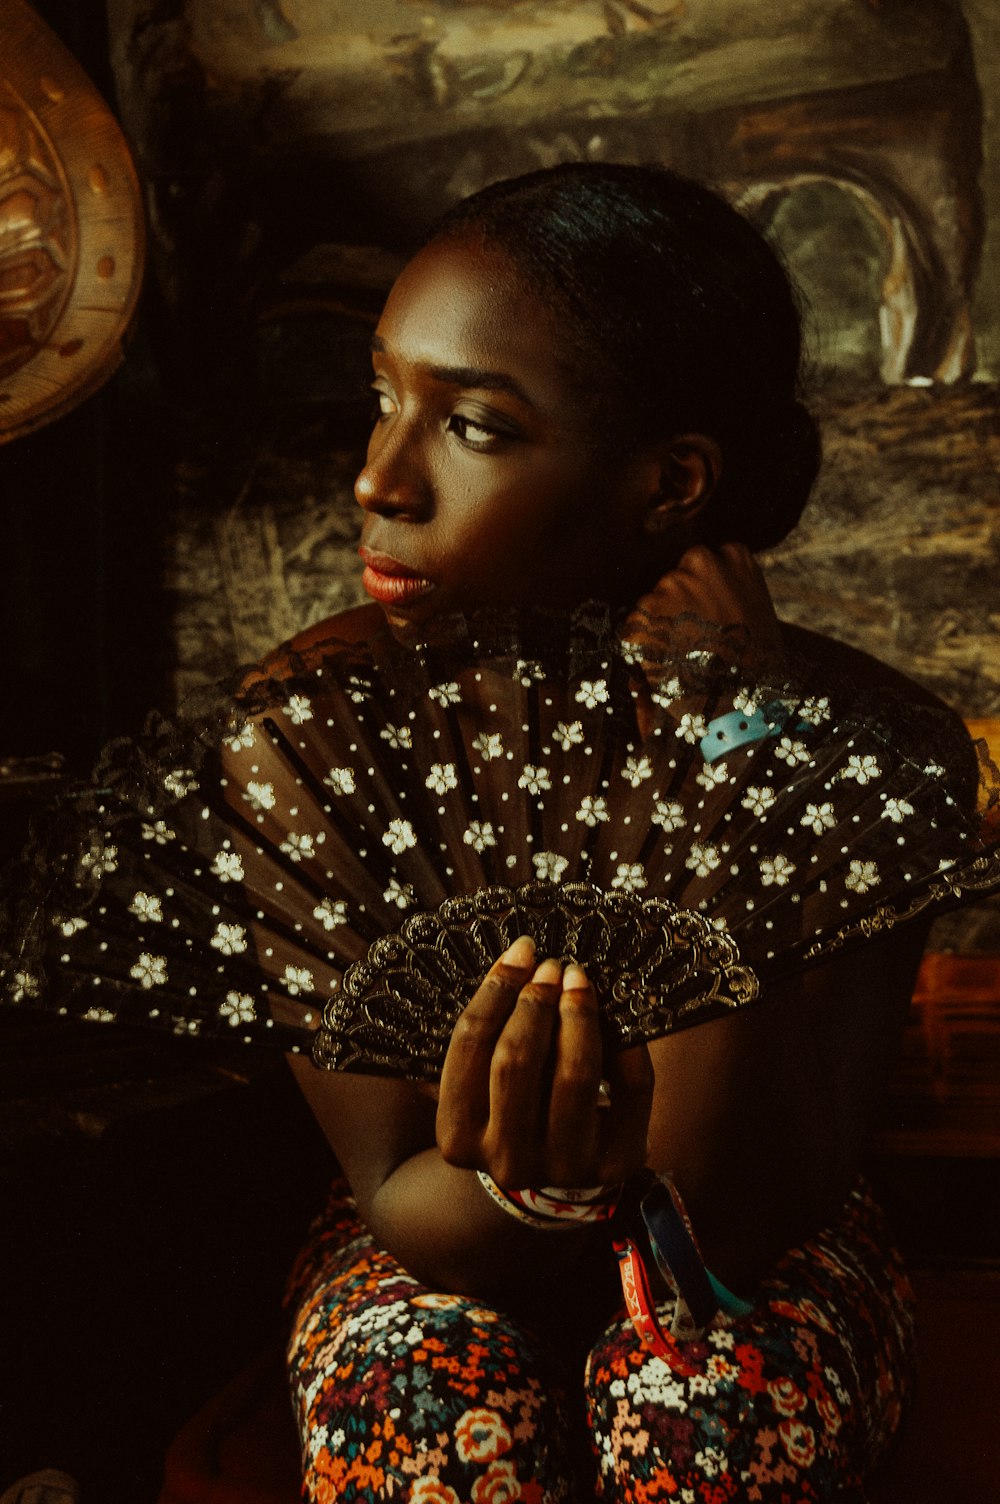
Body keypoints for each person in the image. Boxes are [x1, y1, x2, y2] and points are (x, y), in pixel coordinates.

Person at [270, 163, 951, 1503]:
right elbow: (405, 1199)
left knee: (705, 1405)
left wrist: (727, 765)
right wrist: (537, 1200)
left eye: (470, 424)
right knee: (426, 1390)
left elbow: (739, 1213)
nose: (378, 477)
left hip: (748, 1256)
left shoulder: (880, 748)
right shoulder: (307, 740)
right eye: (383, 396)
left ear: (670, 482)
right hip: (426, 1247)